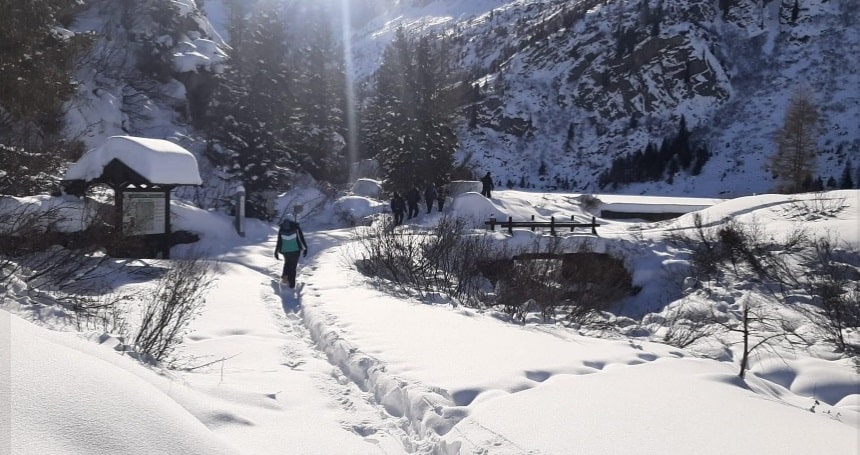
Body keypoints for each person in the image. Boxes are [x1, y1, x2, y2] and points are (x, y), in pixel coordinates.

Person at [274, 214, 308, 288]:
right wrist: (305, 248)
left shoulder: (282, 228)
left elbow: (279, 241)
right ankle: (292, 285)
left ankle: (285, 278)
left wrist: (276, 251)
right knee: (293, 266)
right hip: (295, 250)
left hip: (285, 251)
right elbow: (301, 239)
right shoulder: (296, 227)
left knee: (287, 263)